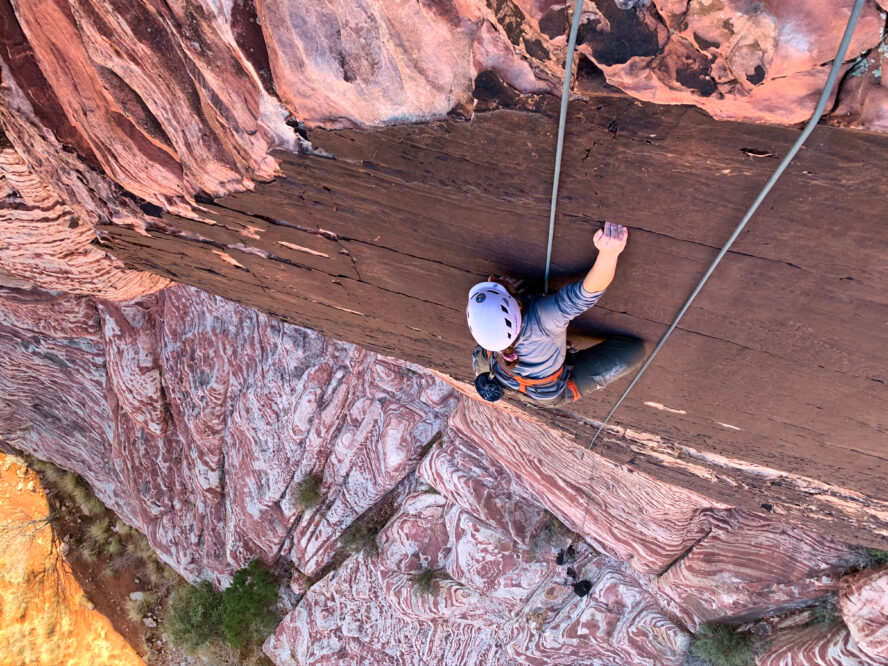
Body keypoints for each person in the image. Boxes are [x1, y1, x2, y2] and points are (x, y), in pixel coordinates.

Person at [466, 222, 644, 406]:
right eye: (499, 285)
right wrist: (608, 254)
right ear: (518, 304)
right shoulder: (543, 318)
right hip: (545, 391)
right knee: (633, 351)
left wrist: (511, 292)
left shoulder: (490, 336)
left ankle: (506, 382)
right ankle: (566, 360)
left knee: (482, 365)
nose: (491, 278)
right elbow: (587, 293)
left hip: (498, 372)